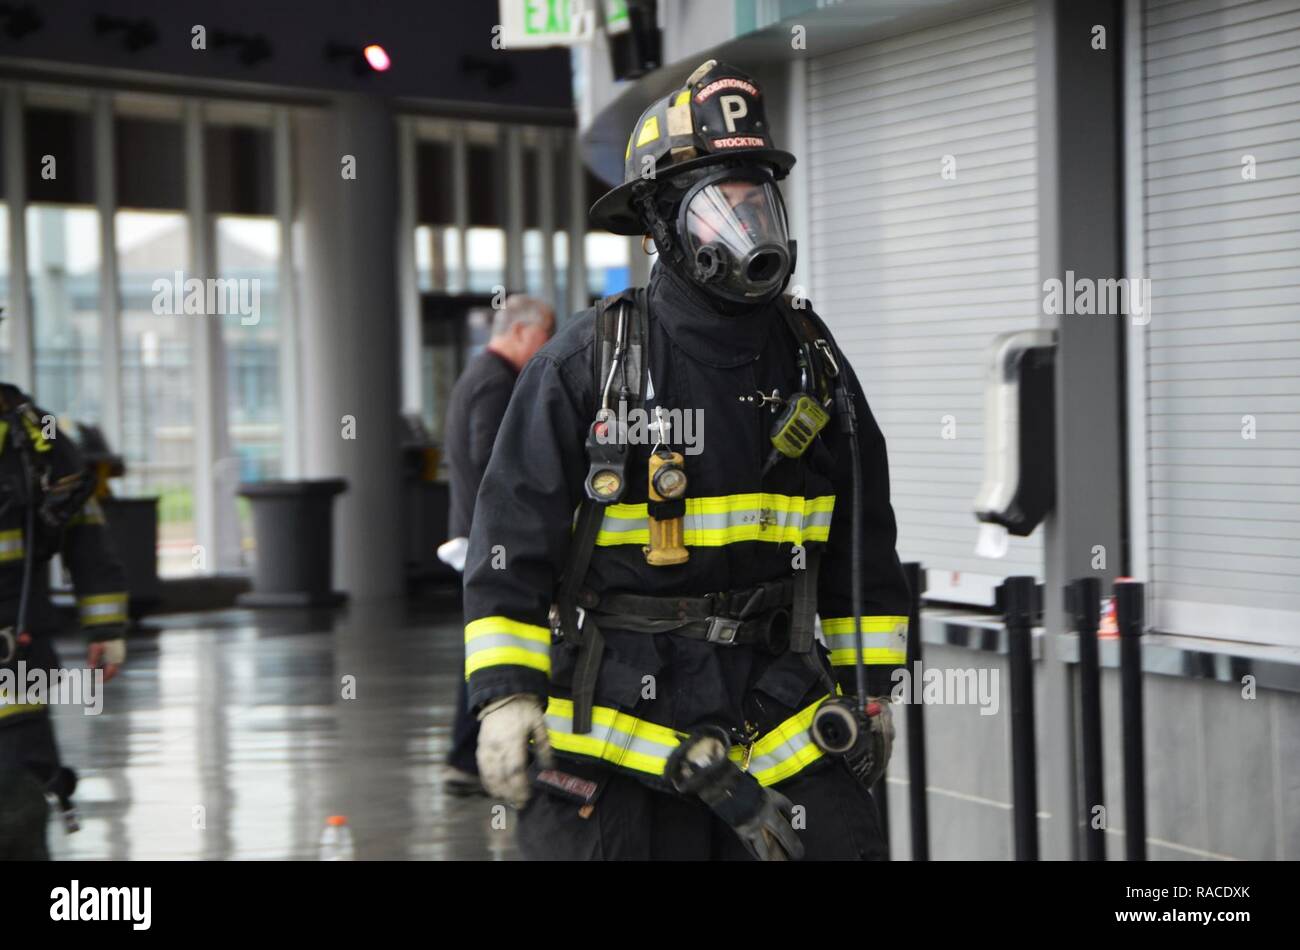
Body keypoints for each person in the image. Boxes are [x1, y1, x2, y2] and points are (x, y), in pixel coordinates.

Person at [462, 59, 911, 860]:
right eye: (722, 209)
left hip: (778, 710)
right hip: (620, 727)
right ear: (666, 225)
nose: (750, 230)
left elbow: (862, 552)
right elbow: (508, 547)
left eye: (757, 203)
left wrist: (873, 694)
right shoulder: (583, 367)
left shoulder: (814, 364)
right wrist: (504, 697)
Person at [0, 380, 129, 860]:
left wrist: (106, 629)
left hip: (13, 665)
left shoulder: (39, 442)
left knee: (13, 811)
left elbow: (88, 541)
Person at [439, 295, 554, 796]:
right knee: (491, 648)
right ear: (524, 331)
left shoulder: (479, 374)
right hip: (489, 539)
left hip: (475, 534)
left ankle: (469, 756)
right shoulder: (496, 382)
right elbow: (495, 459)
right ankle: (469, 758)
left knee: (483, 647)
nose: (548, 346)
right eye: (545, 334)